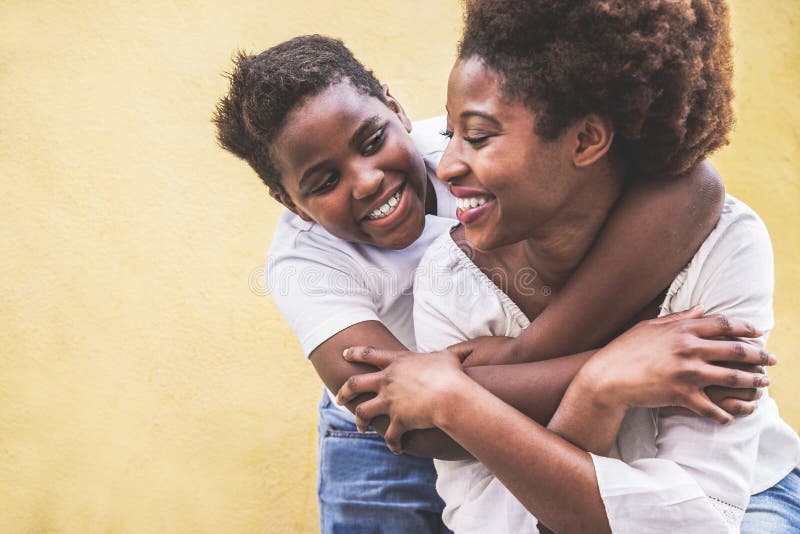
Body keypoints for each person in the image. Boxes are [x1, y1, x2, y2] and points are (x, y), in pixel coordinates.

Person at [213, 34, 765, 533]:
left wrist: (527, 351)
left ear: (395, 108)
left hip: (479, 391)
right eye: (325, 181)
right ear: (290, 203)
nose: (367, 179)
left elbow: (694, 189)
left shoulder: (478, 149)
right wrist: (608, 364)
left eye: (371, 140)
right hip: (385, 446)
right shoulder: (302, 265)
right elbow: (409, 422)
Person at [336, 1, 800, 533]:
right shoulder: (449, 279)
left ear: (585, 140)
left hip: (753, 499)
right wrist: (599, 387)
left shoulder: (723, 244)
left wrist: (456, 399)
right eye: (449, 136)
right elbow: (494, 523)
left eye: (480, 136)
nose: (446, 167)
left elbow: (697, 521)